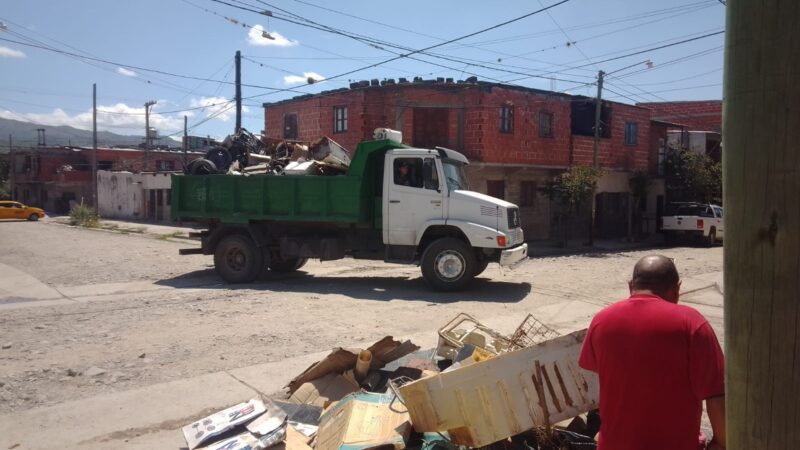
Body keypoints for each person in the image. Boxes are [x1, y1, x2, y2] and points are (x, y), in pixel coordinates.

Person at [579, 255, 726, 450]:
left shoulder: (601, 321)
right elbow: (716, 395)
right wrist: (720, 443)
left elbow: (598, 371)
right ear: (677, 290)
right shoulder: (692, 324)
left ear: (631, 286)